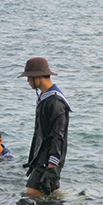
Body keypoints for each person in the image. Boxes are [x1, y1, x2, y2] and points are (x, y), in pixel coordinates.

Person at [18, 57, 71, 197]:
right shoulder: (44, 97)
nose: (28, 81)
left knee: (30, 197)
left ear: (38, 77)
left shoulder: (55, 102)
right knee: (50, 197)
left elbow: (57, 136)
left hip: (48, 161)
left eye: (29, 77)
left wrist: (52, 167)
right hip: (41, 159)